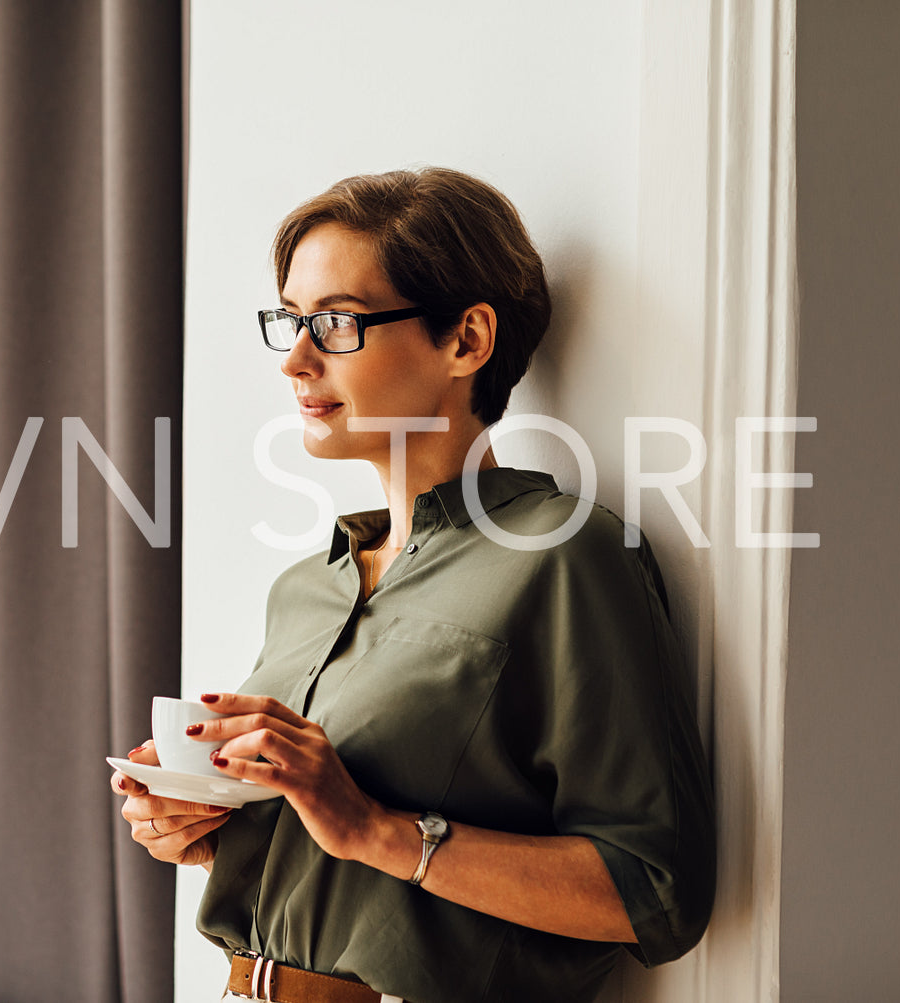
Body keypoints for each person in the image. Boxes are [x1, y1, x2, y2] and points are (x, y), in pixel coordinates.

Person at [110, 167, 715, 1003]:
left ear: (466, 340)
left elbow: (655, 890)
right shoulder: (304, 588)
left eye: (334, 322)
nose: (294, 359)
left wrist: (374, 829)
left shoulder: (565, 555)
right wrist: (203, 827)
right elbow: (337, 858)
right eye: (289, 320)